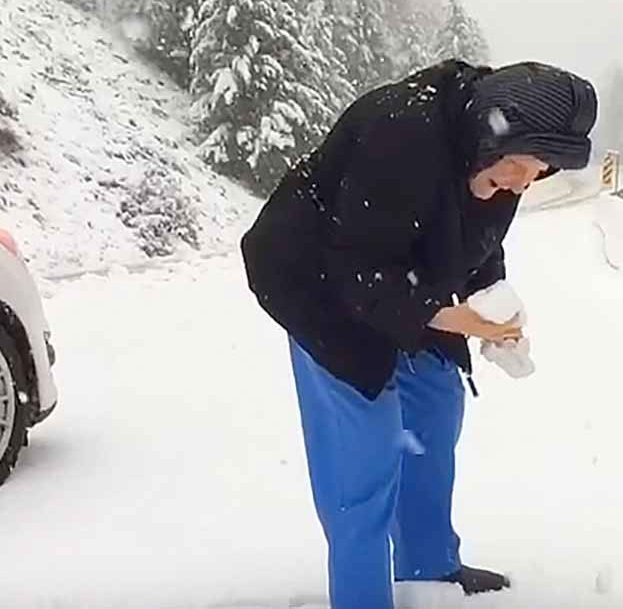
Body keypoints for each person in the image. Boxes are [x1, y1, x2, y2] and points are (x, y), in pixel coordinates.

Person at [239, 59, 598, 609]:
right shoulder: (400, 132)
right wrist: (452, 317)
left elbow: (478, 241)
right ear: (491, 132)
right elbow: (355, 271)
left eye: (540, 170)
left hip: (401, 274)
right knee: (367, 446)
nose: (525, 182)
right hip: (318, 283)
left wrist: (491, 303)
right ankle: (363, 596)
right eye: (524, 167)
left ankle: (428, 564)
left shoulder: (505, 154)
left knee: (436, 403)